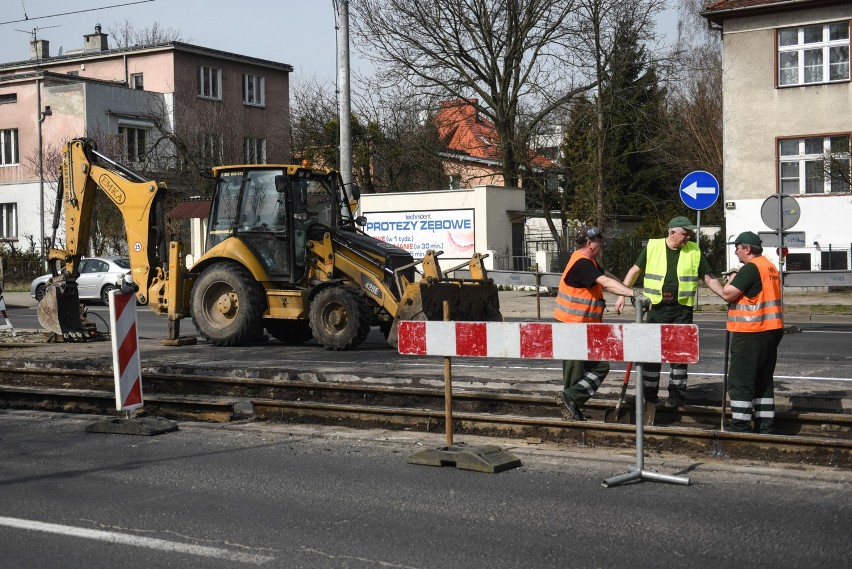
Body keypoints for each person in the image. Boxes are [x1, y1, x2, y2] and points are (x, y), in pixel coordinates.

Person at [614, 216, 725, 407]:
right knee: (651, 355)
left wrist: (725, 294)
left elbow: (708, 277)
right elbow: (634, 271)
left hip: (681, 310)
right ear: (672, 232)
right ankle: (649, 397)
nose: (688, 237)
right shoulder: (653, 247)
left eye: (690, 234)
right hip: (656, 310)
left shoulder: (694, 251)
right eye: (685, 233)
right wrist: (622, 294)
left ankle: (677, 397)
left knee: (679, 355)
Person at [555, 226, 638, 421]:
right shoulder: (581, 264)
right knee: (575, 374)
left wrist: (624, 290)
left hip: (584, 328)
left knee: (600, 367)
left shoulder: (589, 262)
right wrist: (633, 293)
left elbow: (607, 277)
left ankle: (571, 400)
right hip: (572, 326)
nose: (601, 245)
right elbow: (606, 283)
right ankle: (570, 407)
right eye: (599, 242)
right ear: (589, 243)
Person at [721, 231, 783, 433]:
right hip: (771, 330)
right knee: (763, 381)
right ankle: (766, 426)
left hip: (751, 330)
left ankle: (740, 425)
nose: (736, 252)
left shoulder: (750, 268)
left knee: (740, 381)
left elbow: (727, 294)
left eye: (737, 248)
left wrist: (732, 278)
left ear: (747, 249)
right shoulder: (770, 267)